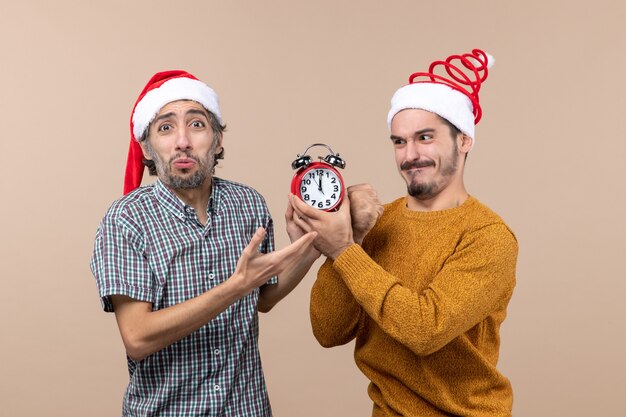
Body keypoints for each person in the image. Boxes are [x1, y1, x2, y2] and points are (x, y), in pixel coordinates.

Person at [289, 49, 518, 416]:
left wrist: (345, 250)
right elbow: (328, 331)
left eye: (425, 137)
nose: (410, 155)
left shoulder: (488, 236)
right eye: (399, 141)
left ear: (464, 140)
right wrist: (351, 236)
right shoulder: (380, 221)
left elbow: (425, 329)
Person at [90, 70, 319, 416]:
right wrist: (235, 286)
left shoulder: (248, 204)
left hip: (248, 408)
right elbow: (138, 337)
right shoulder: (126, 220)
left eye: (196, 124)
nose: (183, 141)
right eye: (165, 128)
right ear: (147, 147)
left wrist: (311, 246)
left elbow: (263, 297)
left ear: (217, 139)